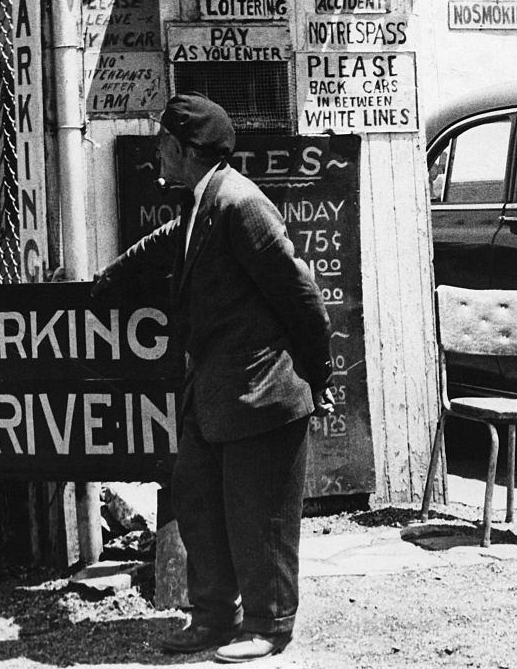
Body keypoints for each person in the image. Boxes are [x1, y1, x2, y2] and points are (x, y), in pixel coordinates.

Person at [93, 92, 334, 662]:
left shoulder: (240, 204)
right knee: (200, 507)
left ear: (182, 149)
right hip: (215, 390)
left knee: (261, 518)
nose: (156, 154)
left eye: (162, 145)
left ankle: (270, 625)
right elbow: (163, 246)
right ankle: (212, 618)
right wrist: (106, 282)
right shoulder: (200, 201)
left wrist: (318, 374)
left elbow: (301, 297)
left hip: (263, 392)